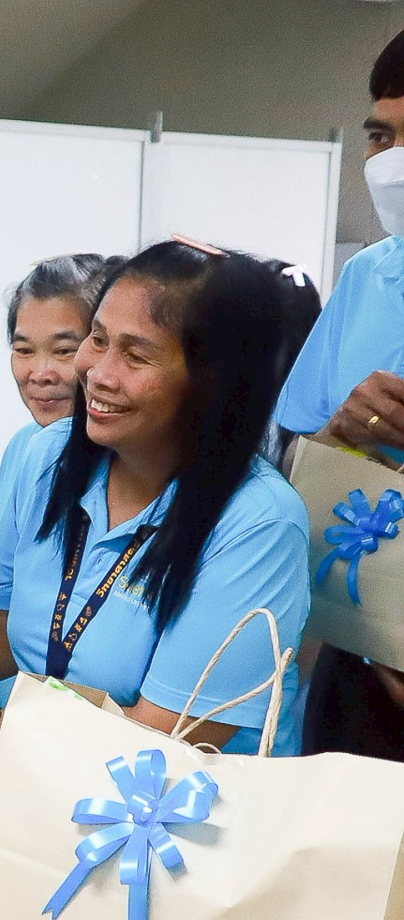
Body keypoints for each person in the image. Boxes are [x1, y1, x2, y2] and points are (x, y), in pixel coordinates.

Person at [0, 241, 313, 772]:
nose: (97, 372)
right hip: (43, 787)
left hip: (173, 810)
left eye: (135, 355)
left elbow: (166, 742)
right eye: (97, 339)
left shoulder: (258, 524)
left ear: (214, 380)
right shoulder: (44, 457)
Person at [272, 26, 404, 761]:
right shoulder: (369, 278)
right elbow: (292, 462)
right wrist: (343, 430)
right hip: (362, 653)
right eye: (382, 138)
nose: (394, 165)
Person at [8, 254, 123, 431]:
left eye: (64, 351)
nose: (40, 375)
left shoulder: (134, 447)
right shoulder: (25, 441)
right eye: (24, 350)